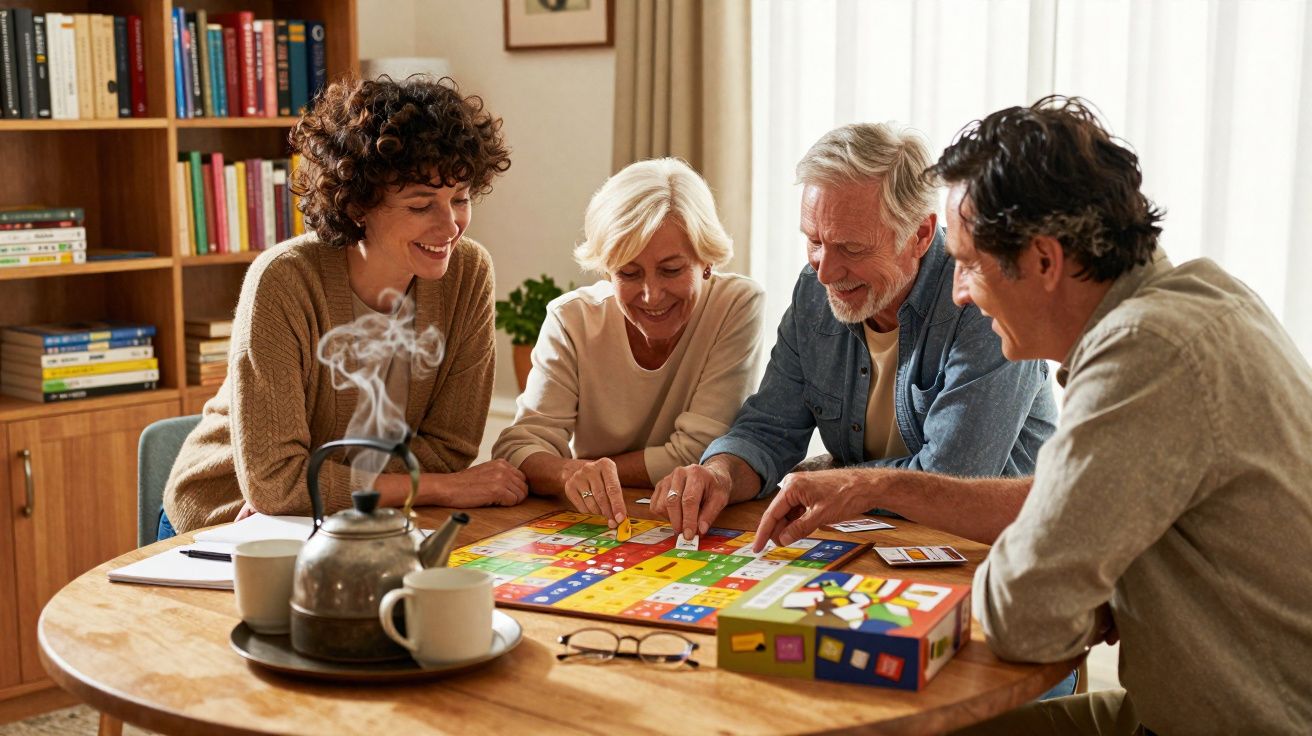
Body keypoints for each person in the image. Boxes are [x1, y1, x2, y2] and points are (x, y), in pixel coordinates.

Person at [753, 97, 1312, 735]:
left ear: (1044, 261)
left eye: (967, 264)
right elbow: (1064, 504)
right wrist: (878, 484)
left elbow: (1025, 618)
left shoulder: (1146, 356)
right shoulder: (1200, 295)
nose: (958, 290)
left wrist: (1082, 581)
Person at [162, 75, 528, 536]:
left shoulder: (468, 273)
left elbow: (450, 448)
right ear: (357, 206)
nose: (450, 225)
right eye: (421, 206)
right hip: (227, 517)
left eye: (460, 199)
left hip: (361, 516)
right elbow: (275, 486)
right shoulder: (284, 281)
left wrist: (323, 490)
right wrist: (441, 488)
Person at [654, 122, 1057, 540]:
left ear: (919, 234)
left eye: (851, 248)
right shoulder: (814, 292)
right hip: (869, 541)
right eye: (814, 241)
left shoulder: (981, 300)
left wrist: (838, 477)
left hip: (985, 551)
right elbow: (769, 430)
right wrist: (720, 473)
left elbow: (952, 478)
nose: (825, 271)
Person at [492, 158, 764, 527]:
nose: (652, 295)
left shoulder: (736, 304)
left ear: (707, 262)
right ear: (606, 271)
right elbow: (517, 447)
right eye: (629, 273)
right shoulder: (572, 319)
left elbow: (698, 451)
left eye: (671, 270)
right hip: (603, 521)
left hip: (698, 519)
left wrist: (588, 471)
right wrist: (568, 474)